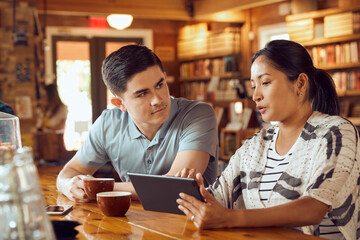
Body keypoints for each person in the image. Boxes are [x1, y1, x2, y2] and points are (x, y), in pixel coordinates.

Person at [177, 40, 360, 239]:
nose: (255, 95)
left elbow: (313, 208)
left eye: (265, 83)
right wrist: (192, 193)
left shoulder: (336, 132)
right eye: (253, 86)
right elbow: (218, 197)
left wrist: (230, 218)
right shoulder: (255, 145)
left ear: (300, 83)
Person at [56, 44, 219, 202]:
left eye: (160, 85)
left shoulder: (198, 114)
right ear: (120, 104)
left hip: (195, 225)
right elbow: (68, 173)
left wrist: (97, 187)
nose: (157, 99)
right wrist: (68, 185)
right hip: (131, 225)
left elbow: (175, 187)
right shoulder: (108, 124)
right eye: (142, 94)